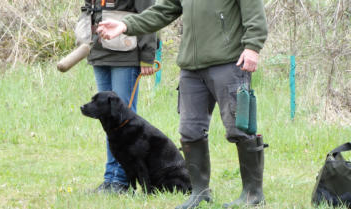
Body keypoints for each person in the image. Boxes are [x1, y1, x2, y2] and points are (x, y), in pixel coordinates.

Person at [96, 0, 268, 208]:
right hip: (191, 67)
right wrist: (126, 25)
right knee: (189, 131)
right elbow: (164, 10)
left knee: (240, 129)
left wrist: (252, 47)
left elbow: (255, 15)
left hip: (229, 61)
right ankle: (199, 193)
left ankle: (252, 194)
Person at [81, 0, 157, 194]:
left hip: (126, 54)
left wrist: (147, 54)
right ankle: (111, 179)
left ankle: (121, 181)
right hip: (99, 51)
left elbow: (149, 13)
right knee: (108, 120)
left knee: (124, 121)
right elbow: (90, 9)